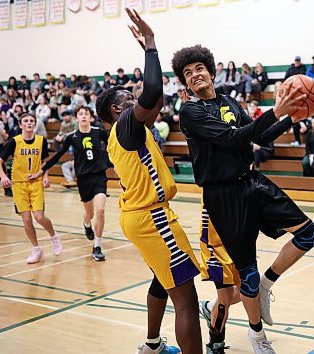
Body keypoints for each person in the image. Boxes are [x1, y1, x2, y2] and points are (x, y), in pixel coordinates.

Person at [172, 44, 314, 353]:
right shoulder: (190, 111)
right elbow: (231, 138)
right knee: (245, 276)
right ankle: (256, 336)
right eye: (187, 74)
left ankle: (268, 284)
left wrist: (291, 118)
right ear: (186, 84)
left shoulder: (229, 101)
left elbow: (258, 137)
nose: (194, 75)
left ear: (211, 72)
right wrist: (276, 111)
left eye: (198, 69)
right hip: (222, 195)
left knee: (309, 234)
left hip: (251, 182)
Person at [96, 9, 200, 354]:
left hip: (140, 216)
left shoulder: (128, 130)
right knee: (185, 297)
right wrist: (151, 44)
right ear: (116, 110)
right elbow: (152, 89)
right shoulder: (126, 124)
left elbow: (155, 97)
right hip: (152, 217)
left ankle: (152, 345)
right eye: (127, 97)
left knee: (162, 277)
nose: (134, 99)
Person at [28, 106, 108, 261]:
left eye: (86, 114)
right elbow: (58, 156)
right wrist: (41, 171)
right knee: (90, 214)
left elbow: (113, 147)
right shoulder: (72, 136)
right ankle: (86, 223)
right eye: (81, 114)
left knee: (101, 210)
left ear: (91, 117)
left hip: (99, 176)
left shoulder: (99, 132)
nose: (84, 116)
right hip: (83, 179)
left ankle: (97, 246)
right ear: (76, 118)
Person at [0, 113, 62, 263]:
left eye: (32, 121)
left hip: (36, 182)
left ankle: (54, 236)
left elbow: (45, 162)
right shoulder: (14, 142)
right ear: (20, 124)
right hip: (18, 184)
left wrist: (45, 176)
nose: (29, 123)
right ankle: (36, 249)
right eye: (26, 121)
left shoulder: (41, 141)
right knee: (26, 219)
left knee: (39, 217)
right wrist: (3, 177)